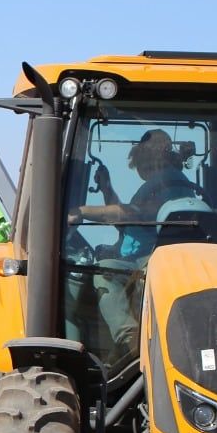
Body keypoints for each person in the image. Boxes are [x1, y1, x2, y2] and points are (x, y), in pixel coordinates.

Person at [71, 129, 200, 359]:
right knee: (108, 261)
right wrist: (107, 189)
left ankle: (129, 339)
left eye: (141, 164)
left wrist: (82, 212)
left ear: (151, 159)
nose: (139, 171)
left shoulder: (166, 181)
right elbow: (130, 223)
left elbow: (131, 214)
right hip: (145, 260)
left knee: (104, 273)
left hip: (149, 264)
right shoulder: (169, 181)